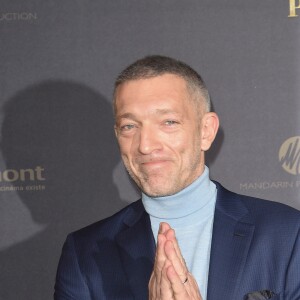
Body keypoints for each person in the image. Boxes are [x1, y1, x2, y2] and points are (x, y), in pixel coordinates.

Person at [54, 55, 300, 300]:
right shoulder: (85, 252)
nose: (146, 145)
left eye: (168, 122)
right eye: (129, 126)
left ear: (206, 131)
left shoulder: (287, 233)